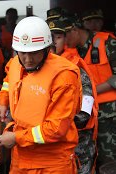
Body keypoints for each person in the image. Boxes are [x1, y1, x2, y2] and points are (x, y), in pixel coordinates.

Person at [0, 16, 82, 173]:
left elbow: (56, 129)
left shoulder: (64, 76)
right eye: (23, 53)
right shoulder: (15, 62)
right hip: (20, 157)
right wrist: (3, 101)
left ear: (47, 49)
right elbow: (9, 80)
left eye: (34, 53)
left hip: (52, 162)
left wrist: (16, 138)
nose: (28, 60)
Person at [64, 14, 116, 171]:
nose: (62, 41)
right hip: (86, 120)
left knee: (109, 162)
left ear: (74, 30)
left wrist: (91, 91)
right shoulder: (70, 51)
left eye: (63, 35)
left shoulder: (107, 42)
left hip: (109, 117)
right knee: (88, 162)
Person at [49, 19, 98, 173]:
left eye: (57, 37)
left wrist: (70, 123)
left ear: (65, 39)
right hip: (49, 141)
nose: (53, 42)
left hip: (77, 138)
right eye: (49, 37)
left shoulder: (75, 66)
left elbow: (87, 101)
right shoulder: (33, 67)